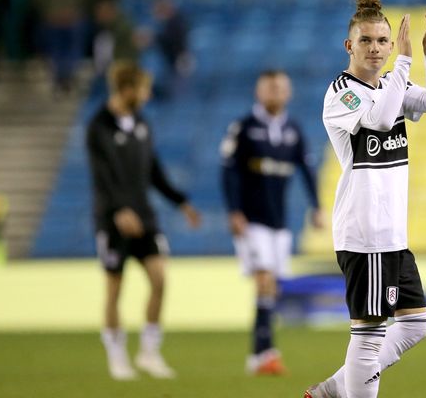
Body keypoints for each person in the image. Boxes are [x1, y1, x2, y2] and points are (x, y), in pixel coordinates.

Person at [305, 0, 426, 398]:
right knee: (369, 336)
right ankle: (340, 389)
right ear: (349, 45)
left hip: (392, 234)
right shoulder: (341, 93)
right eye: (366, 40)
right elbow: (382, 119)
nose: (376, 48)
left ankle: (334, 388)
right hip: (364, 232)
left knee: (416, 323)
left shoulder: (391, 84)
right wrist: (404, 62)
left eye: (383, 41)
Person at [87, 61, 201, 380]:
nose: (147, 95)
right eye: (143, 89)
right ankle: (116, 356)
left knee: (159, 279)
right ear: (126, 90)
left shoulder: (142, 124)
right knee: (115, 288)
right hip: (113, 220)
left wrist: (181, 203)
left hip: (145, 218)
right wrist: (118, 209)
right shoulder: (99, 126)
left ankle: (149, 352)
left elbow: (154, 171)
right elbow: (101, 176)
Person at [220, 70, 324, 375]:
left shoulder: (292, 129)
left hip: (279, 223)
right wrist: (234, 211)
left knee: (271, 287)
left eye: (281, 87)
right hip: (252, 220)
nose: (276, 92)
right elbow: (228, 171)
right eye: (270, 87)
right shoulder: (244, 127)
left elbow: (306, 169)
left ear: (288, 92)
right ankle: (265, 354)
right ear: (259, 91)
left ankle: (260, 353)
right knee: (264, 279)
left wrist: (316, 207)